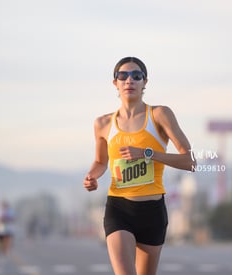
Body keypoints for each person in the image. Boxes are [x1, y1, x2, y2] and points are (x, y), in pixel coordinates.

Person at [83, 56, 196, 275]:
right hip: (119, 209)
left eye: (136, 76)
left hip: (152, 211)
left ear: (145, 82)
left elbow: (190, 161)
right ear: (115, 83)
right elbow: (100, 161)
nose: (129, 80)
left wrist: (147, 153)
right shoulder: (103, 123)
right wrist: (92, 176)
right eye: (123, 76)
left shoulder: (160, 115)